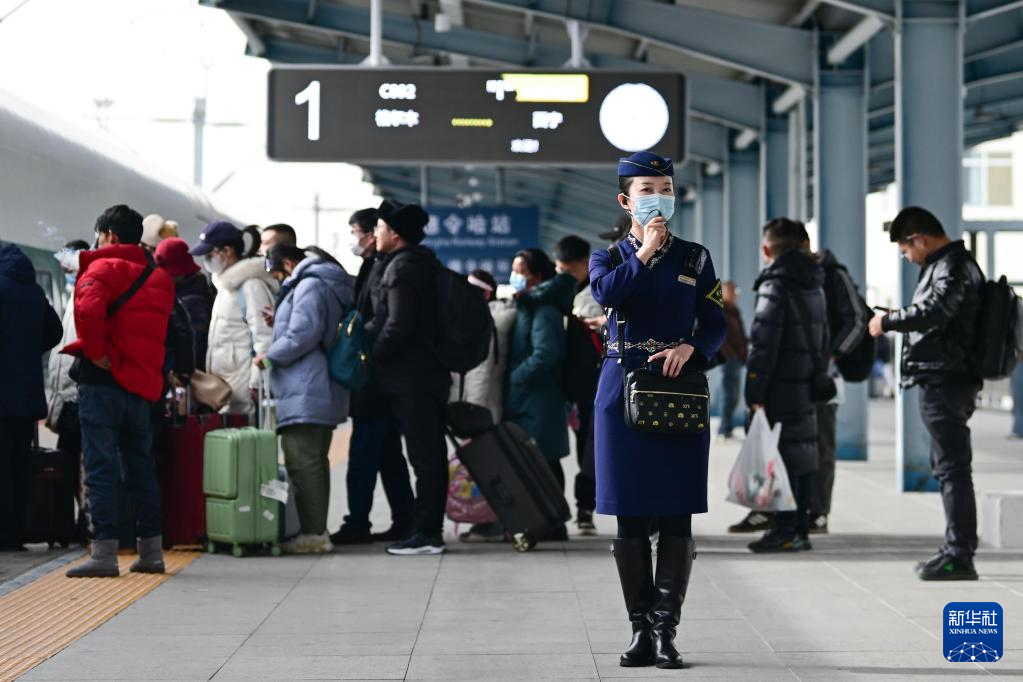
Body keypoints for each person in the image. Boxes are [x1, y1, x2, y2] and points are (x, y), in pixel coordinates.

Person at [590, 151, 726, 670]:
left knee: (675, 512)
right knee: (629, 516)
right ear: (625, 201)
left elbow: (715, 324)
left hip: (677, 393)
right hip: (620, 393)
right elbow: (606, 295)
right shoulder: (607, 258)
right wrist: (644, 253)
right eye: (646, 190)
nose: (658, 198)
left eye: (664, 189)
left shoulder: (695, 259)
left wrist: (693, 348)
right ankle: (640, 631)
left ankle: (666, 629)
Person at [868, 206, 985, 581]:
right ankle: (955, 548)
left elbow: (935, 311)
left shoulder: (952, 265)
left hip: (946, 378)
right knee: (948, 467)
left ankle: (960, 555)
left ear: (919, 239)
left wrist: (888, 321)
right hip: (943, 375)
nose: (907, 257)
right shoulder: (948, 265)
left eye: (905, 250)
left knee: (952, 468)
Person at [63, 205, 174, 577]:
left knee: (100, 467)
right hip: (139, 386)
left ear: (109, 235)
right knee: (141, 468)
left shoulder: (101, 268)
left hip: (102, 384)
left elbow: (88, 310)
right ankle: (152, 553)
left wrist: (95, 352)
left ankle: (104, 554)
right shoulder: (159, 278)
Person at [258, 245, 354, 554]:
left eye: (277, 274)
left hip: (306, 387)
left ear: (289, 263)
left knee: (303, 463)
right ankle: (315, 529)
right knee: (312, 462)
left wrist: (269, 357)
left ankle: (313, 534)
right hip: (314, 386)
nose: (278, 279)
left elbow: (304, 333)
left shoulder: (309, 284)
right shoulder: (320, 283)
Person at [369, 200, 451, 556]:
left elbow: (398, 323)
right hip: (425, 375)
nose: (375, 234)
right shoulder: (422, 262)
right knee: (428, 454)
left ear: (395, 233)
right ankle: (426, 528)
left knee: (425, 456)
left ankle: (428, 533)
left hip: (413, 377)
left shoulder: (403, 268)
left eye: (379, 228)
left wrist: (376, 353)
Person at [331, 208, 416, 546]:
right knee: (388, 454)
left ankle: (358, 522)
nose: (356, 240)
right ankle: (405, 519)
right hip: (381, 378)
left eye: (357, 233)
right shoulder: (376, 266)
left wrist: (371, 354)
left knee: (365, 454)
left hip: (375, 378)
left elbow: (385, 321)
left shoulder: (385, 267)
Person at [745, 218, 829, 554]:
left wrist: (754, 392)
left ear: (766, 249)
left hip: (779, 385)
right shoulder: (815, 282)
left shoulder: (775, 284)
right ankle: (800, 529)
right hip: (806, 381)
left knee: (780, 456)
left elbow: (763, 345)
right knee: (802, 454)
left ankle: (785, 528)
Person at [506, 248, 574, 541]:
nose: (514, 276)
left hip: (539, 397)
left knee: (544, 461)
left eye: (520, 271)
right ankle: (549, 521)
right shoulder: (532, 304)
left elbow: (545, 353)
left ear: (536, 276)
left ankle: (553, 523)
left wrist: (516, 379)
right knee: (541, 461)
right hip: (533, 395)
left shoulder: (543, 310)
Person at [0, 244, 63, 552]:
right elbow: (56, 331)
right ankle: (16, 534)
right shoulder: (34, 291)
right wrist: (27, 350)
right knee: (19, 465)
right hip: (25, 398)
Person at [190, 221, 277, 416]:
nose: (206, 260)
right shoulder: (225, 287)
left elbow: (264, 337)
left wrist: (257, 383)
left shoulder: (250, 286)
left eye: (209, 254)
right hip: (226, 387)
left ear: (227, 251)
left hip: (243, 388)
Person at [455, 269, 516, 544]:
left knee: (487, 468)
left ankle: (493, 523)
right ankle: (491, 522)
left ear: (485, 293)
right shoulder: (492, 315)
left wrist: (472, 411)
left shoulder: (487, 319)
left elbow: (481, 371)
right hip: (486, 405)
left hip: (482, 408)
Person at [554, 235, 605, 536]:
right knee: (575, 445)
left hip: (596, 383)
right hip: (567, 385)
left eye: (570, 270)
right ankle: (576, 507)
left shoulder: (601, 291)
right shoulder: (555, 292)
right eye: (560, 270)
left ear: (586, 264)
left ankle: (586, 506)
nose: (565, 276)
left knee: (592, 447)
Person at [46, 240, 91, 539]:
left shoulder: (87, 294)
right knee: (71, 461)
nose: (66, 275)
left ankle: (86, 522)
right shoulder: (75, 295)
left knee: (78, 463)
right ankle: (79, 521)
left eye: (68, 269)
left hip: (77, 397)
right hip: (68, 397)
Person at [155, 237, 214, 372]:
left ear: (180, 273)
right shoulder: (178, 293)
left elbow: (195, 350)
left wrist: (181, 373)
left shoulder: (195, 304)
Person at [717, 281, 747, 440]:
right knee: (729, 394)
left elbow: (739, 334)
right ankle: (723, 428)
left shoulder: (734, 311)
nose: (736, 295)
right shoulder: (721, 310)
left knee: (734, 394)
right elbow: (720, 335)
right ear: (725, 292)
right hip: (729, 358)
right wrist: (729, 353)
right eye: (733, 292)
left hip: (736, 358)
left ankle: (727, 427)